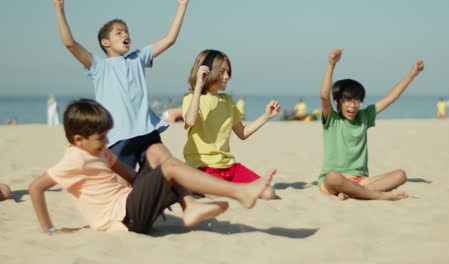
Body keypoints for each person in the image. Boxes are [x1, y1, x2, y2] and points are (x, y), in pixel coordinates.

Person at [29, 99, 274, 235]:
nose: (106, 142)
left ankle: (188, 206)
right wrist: (50, 229)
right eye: (100, 138)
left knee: (155, 151)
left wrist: (152, 194)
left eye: (106, 136)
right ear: (78, 140)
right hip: (125, 219)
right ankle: (240, 192)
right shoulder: (74, 159)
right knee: (167, 167)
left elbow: (132, 178)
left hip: (132, 205)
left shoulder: (101, 151)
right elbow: (35, 188)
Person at [52, 0, 189, 170]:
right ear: (105, 42)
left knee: (164, 177)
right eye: (119, 33)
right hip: (118, 137)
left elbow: (169, 40)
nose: (126, 35)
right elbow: (70, 44)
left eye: (127, 32)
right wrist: (59, 8)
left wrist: (182, 6)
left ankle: (186, 197)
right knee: (123, 187)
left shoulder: (138, 58)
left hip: (147, 132)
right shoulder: (99, 66)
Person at [318, 48, 424, 201]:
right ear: (337, 102)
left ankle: (352, 192)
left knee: (400, 175)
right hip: (334, 181)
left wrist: (413, 74)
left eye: (357, 101)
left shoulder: (364, 116)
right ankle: (378, 195)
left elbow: (390, 98)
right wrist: (331, 64)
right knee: (333, 176)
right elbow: (323, 96)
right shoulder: (332, 120)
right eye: (347, 100)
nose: (353, 106)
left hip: (361, 180)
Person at [182, 50, 280, 200]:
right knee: (218, 195)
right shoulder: (191, 98)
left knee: (269, 193)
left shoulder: (227, 101)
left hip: (229, 167)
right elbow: (191, 121)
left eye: (228, 72)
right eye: (222, 72)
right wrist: (198, 87)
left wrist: (266, 116)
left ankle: (220, 188)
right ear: (207, 72)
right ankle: (194, 185)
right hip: (202, 167)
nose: (227, 77)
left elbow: (243, 133)